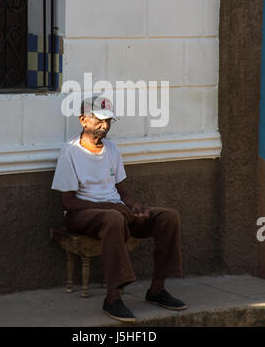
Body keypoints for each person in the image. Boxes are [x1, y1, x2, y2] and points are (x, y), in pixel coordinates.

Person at [52, 95, 187, 322]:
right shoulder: (70, 151)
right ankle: (113, 298)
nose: (105, 126)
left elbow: (122, 191)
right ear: (83, 120)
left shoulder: (112, 149)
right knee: (113, 218)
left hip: (116, 210)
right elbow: (68, 203)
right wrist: (111, 206)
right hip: (83, 215)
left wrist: (135, 206)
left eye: (109, 121)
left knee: (168, 217)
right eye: (99, 120)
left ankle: (157, 289)